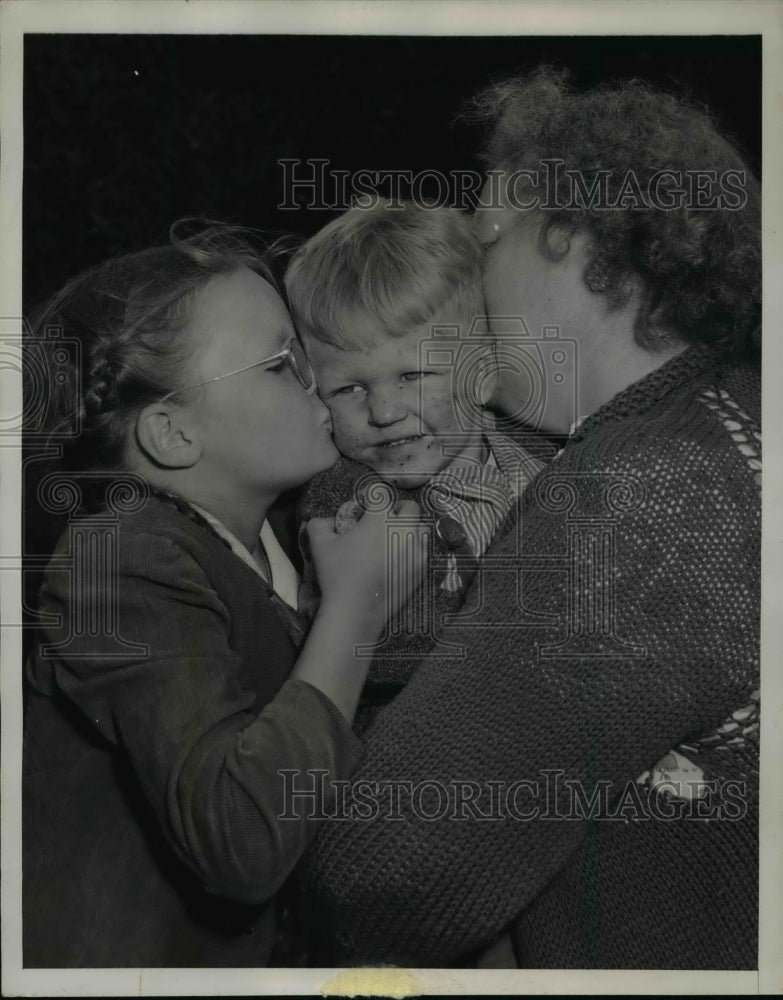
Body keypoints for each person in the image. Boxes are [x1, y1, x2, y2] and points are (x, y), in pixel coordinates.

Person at [300, 68, 761, 969]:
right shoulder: (733, 414)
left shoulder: (636, 497)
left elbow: (380, 877)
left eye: (486, 236)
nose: (473, 275)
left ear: (566, 235)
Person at [22, 224, 427, 967]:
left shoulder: (285, 539)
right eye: (278, 364)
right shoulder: (118, 560)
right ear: (172, 434)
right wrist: (358, 609)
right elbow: (241, 839)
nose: (316, 382)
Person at [285, 201, 551, 730]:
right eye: (349, 388)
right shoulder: (352, 508)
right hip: (432, 748)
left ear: (486, 366)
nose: (383, 412)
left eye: (413, 375)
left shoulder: (545, 450)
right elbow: (379, 653)